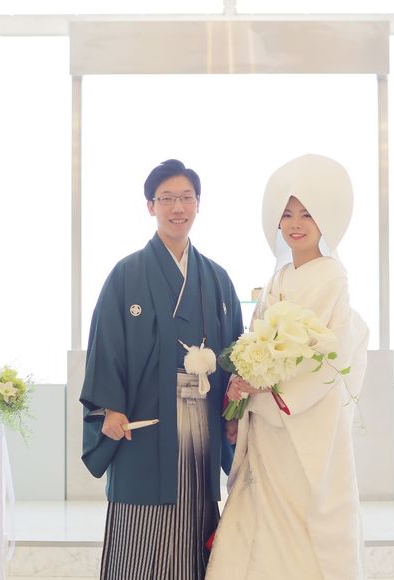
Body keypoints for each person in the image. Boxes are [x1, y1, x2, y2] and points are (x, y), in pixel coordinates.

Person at [206, 154, 370, 580]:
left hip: (303, 420)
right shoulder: (278, 277)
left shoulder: (332, 277)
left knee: (300, 515)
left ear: (325, 219)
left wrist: (264, 386)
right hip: (267, 424)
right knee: (259, 513)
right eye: (287, 214)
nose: (295, 224)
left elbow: (327, 355)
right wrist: (243, 383)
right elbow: (255, 340)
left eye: (307, 214)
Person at [80, 159, 243, 580]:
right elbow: (106, 346)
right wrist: (110, 408)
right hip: (145, 423)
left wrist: (233, 415)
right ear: (150, 206)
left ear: (198, 204)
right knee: (141, 529)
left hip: (201, 425)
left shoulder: (217, 279)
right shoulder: (126, 275)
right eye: (167, 198)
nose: (177, 207)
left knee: (194, 518)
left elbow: (234, 356)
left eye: (186, 198)